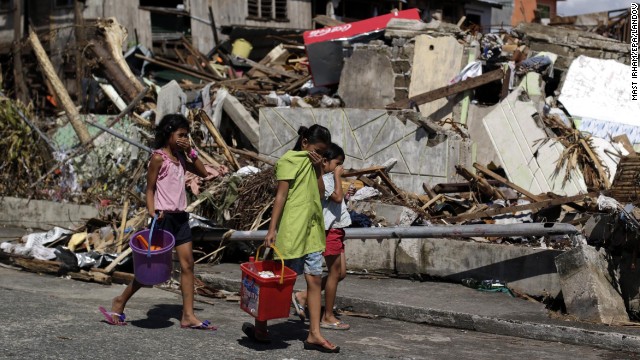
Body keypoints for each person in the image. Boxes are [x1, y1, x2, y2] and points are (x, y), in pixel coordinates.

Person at [99, 114, 215, 330]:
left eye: (186, 135)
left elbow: (203, 172)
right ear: (168, 134)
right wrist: (152, 213)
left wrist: (191, 150)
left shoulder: (181, 158)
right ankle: (120, 301)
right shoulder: (158, 158)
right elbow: (150, 189)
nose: (184, 139)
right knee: (151, 271)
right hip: (162, 218)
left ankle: (188, 315)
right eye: (180, 135)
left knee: (188, 265)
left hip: (180, 218)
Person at [242, 125, 340, 353]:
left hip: (313, 230)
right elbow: (281, 195)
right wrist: (272, 229)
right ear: (304, 142)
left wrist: (318, 170)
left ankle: (314, 334)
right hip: (292, 231)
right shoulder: (288, 160)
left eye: (323, 153)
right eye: (317, 150)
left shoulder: (315, 165)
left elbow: (320, 192)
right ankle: (260, 326)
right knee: (277, 280)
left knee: (315, 280)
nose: (319, 155)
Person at [291, 143, 352, 331]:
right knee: (334, 273)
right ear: (325, 161)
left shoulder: (330, 178)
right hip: (329, 231)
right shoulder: (324, 179)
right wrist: (336, 177)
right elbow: (337, 198)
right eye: (338, 163)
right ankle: (327, 316)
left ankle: (302, 296)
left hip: (337, 229)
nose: (340, 167)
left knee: (341, 273)